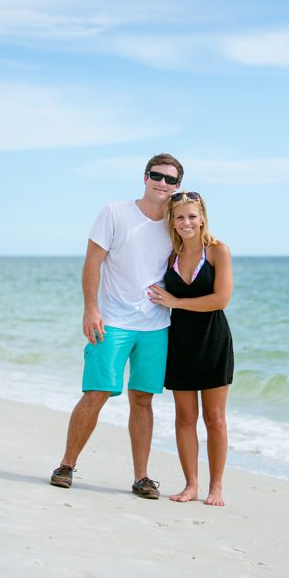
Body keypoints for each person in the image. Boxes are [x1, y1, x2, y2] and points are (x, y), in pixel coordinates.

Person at [50, 154, 184, 499]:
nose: (163, 183)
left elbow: (181, 264)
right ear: (145, 177)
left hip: (156, 325)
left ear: (177, 187)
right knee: (96, 393)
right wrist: (90, 309)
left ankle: (142, 477)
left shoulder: (175, 224)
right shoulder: (114, 212)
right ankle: (66, 465)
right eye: (157, 176)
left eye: (170, 180)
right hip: (112, 320)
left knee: (143, 399)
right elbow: (92, 262)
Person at [147, 191, 234, 506]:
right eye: (180, 217)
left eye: (192, 216)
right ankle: (191, 485)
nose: (186, 223)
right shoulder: (171, 256)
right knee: (185, 417)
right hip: (179, 342)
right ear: (173, 220)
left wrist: (176, 302)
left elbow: (221, 299)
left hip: (213, 340)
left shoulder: (217, 252)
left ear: (202, 218)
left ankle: (217, 487)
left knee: (215, 419)